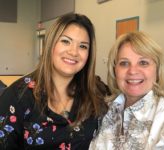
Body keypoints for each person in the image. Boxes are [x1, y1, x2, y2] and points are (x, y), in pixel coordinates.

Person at [0, 13, 108, 149]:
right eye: (65, 41)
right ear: (51, 44)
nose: (74, 52)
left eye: (83, 46)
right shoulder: (16, 97)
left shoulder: (96, 90)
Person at [89, 31, 164, 149]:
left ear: (158, 70)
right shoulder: (104, 112)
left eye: (143, 63)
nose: (133, 71)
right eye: (124, 63)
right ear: (114, 70)